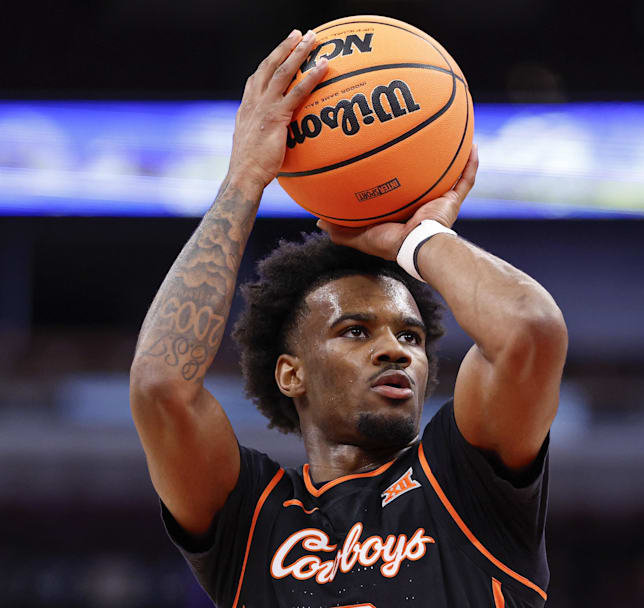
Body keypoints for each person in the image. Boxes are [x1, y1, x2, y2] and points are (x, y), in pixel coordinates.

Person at [129, 28, 567, 608]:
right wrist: (243, 180)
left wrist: (417, 241)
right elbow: (161, 386)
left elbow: (531, 331)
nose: (395, 350)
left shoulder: (465, 480)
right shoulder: (252, 521)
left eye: (409, 335)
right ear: (291, 373)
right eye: (355, 330)